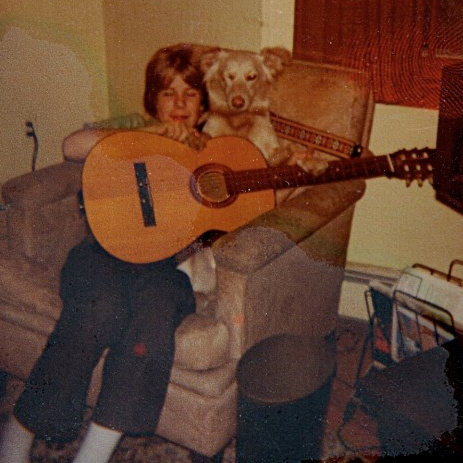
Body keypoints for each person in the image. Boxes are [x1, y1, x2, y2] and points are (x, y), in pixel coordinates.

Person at [0, 43, 212, 463]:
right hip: (101, 255)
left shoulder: (211, 153)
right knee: (97, 310)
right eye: (168, 93)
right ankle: (17, 434)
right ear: (153, 99)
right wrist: (147, 136)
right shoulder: (134, 127)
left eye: (190, 94)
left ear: (204, 107)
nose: (179, 103)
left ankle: (94, 452)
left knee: (156, 315)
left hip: (162, 268)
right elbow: (73, 144)